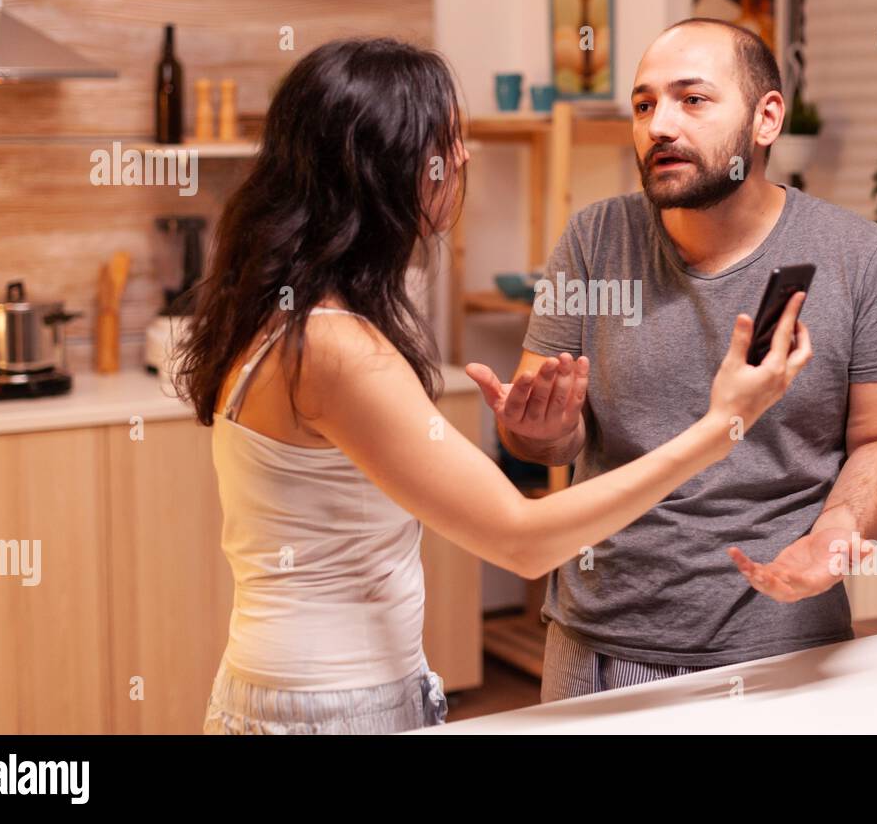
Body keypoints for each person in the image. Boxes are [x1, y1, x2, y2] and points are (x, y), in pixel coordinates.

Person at [175, 36, 815, 734]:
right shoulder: (332, 346)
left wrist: (548, 434)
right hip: (329, 708)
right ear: (386, 165)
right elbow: (525, 540)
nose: (466, 157)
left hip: (295, 691)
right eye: (447, 140)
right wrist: (719, 427)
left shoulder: (284, 314)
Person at [466, 18, 877, 702]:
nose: (660, 125)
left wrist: (839, 528)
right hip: (602, 646)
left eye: (693, 100)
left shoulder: (860, 260)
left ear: (766, 118)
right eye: (644, 105)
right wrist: (537, 433)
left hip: (786, 649)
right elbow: (550, 436)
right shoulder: (595, 241)